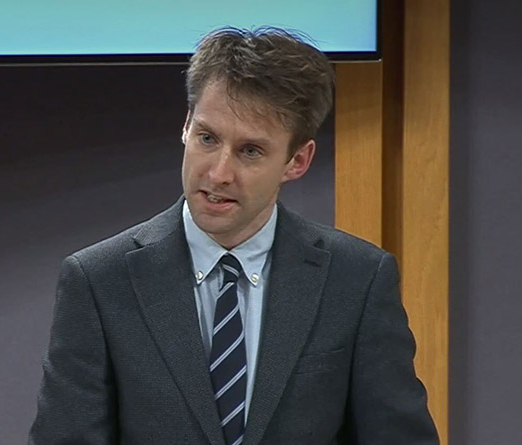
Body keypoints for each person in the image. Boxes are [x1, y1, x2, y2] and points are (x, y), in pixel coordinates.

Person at [29, 27, 438, 444]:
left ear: (297, 160)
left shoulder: (357, 280)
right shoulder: (99, 281)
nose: (218, 173)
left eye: (250, 151)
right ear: (186, 127)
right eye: (207, 138)